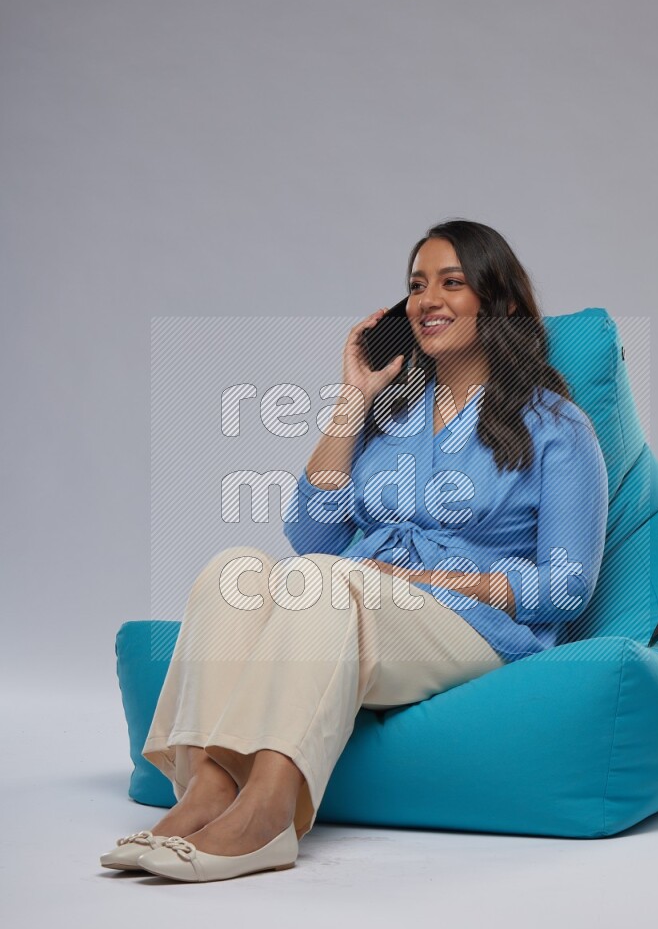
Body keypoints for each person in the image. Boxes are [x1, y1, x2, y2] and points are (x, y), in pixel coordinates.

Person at [100, 219, 609, 882]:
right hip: (360, 599)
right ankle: (203, 795)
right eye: (417, 285)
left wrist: (425, 578)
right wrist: (352, 396)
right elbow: (311, 535)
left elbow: (567, 586)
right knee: (235, 571)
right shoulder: (390, 414)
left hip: (473, 624)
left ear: (502, 304)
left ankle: (266, 818)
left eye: (452, 283)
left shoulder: (557, 426)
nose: (427, 299)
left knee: (325, 582)